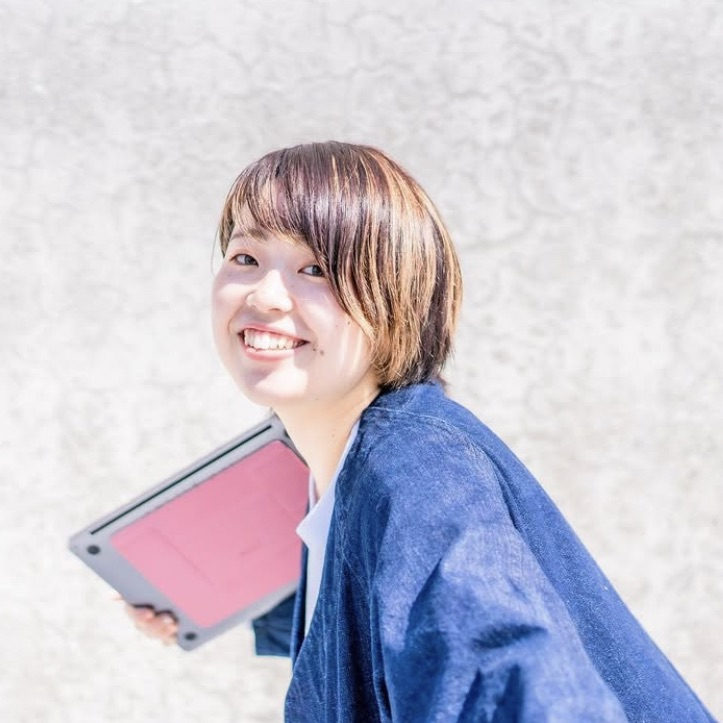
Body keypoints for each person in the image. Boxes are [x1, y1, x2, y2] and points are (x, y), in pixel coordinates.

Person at [125, 141, 715, 721]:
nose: (265, 295)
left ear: (396, 299)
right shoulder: (338, 462)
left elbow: (513, 682)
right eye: (245, 258)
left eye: (316, 268)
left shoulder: (415, 470)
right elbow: (373, 617)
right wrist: (202, 599)